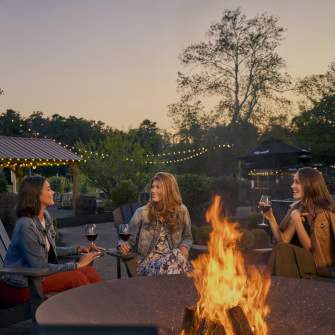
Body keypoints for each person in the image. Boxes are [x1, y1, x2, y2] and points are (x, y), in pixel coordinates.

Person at [0, 176, 102, 307]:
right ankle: (94, 315)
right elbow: (40, 266)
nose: (53, 192)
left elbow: (47, 250)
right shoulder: (25, 225)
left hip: (39, 278)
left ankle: (103, 308)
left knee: (90, 273)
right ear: (36, 195)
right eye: (49, 189)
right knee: (75, 277)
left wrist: (77, 249)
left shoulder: (45, 216)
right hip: (21, 285)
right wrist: (77, 265)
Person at [262, 167, 335, 278]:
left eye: (297, 182)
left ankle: (266, 284)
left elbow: (312, 249)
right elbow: (284, 240)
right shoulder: (298, 208)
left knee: (282, 251)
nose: (292, 186)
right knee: (281, 249)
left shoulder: (323, 213)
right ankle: (267, 285)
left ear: (309, 185)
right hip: (303, 259)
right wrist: (271, 218)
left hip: (319, 264)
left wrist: (297, 221)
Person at [119, 172, 193, 276]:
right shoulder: (142, 213)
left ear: (168, 190)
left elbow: (188, 237)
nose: (153, 190)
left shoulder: (182, 211)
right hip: (148, 265)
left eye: (158, 187)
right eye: (152, 187)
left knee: (177, 257)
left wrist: (184, 247)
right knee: (178, 259)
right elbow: (126, 240)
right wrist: (122, 245)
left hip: (174, 262)